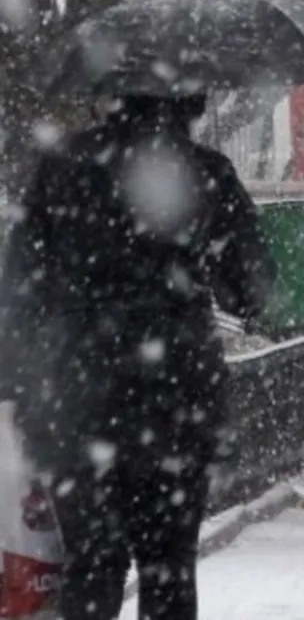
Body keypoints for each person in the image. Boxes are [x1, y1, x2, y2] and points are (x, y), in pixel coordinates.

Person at [0, 93, 276, 620]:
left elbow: (17, 291)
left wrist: (15, 385)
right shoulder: (205, 173)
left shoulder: (60, 170)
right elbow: (252, 295)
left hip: (73, 399)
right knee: (169, 566)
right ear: (190, 99)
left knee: (92, 562)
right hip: (176, 398)